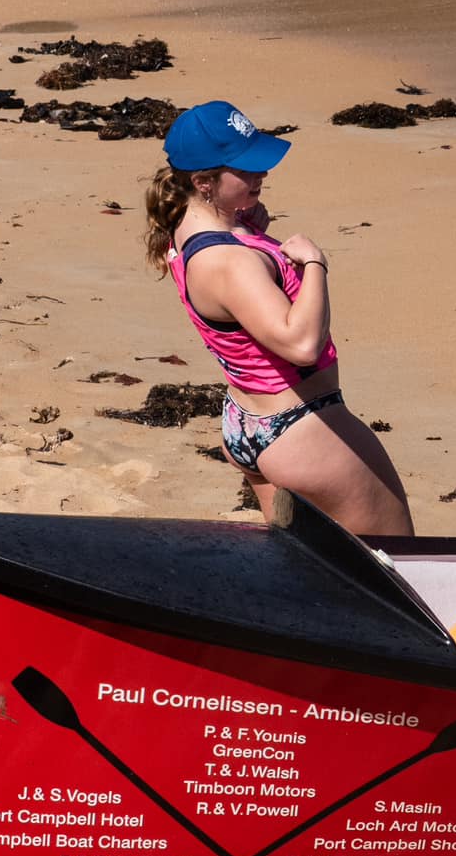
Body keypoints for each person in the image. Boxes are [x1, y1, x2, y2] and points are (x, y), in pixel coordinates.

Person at [144, 101, 413, 536]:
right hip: (300, 426)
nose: (262, 174)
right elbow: (300, 344)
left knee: (302, 564)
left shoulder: (185, 230)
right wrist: (315, 264)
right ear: (203, 182)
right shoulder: (228, 261)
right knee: (395, 556)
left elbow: (238, 300)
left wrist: (248, 228)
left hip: (248, 421)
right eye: (246, 169)